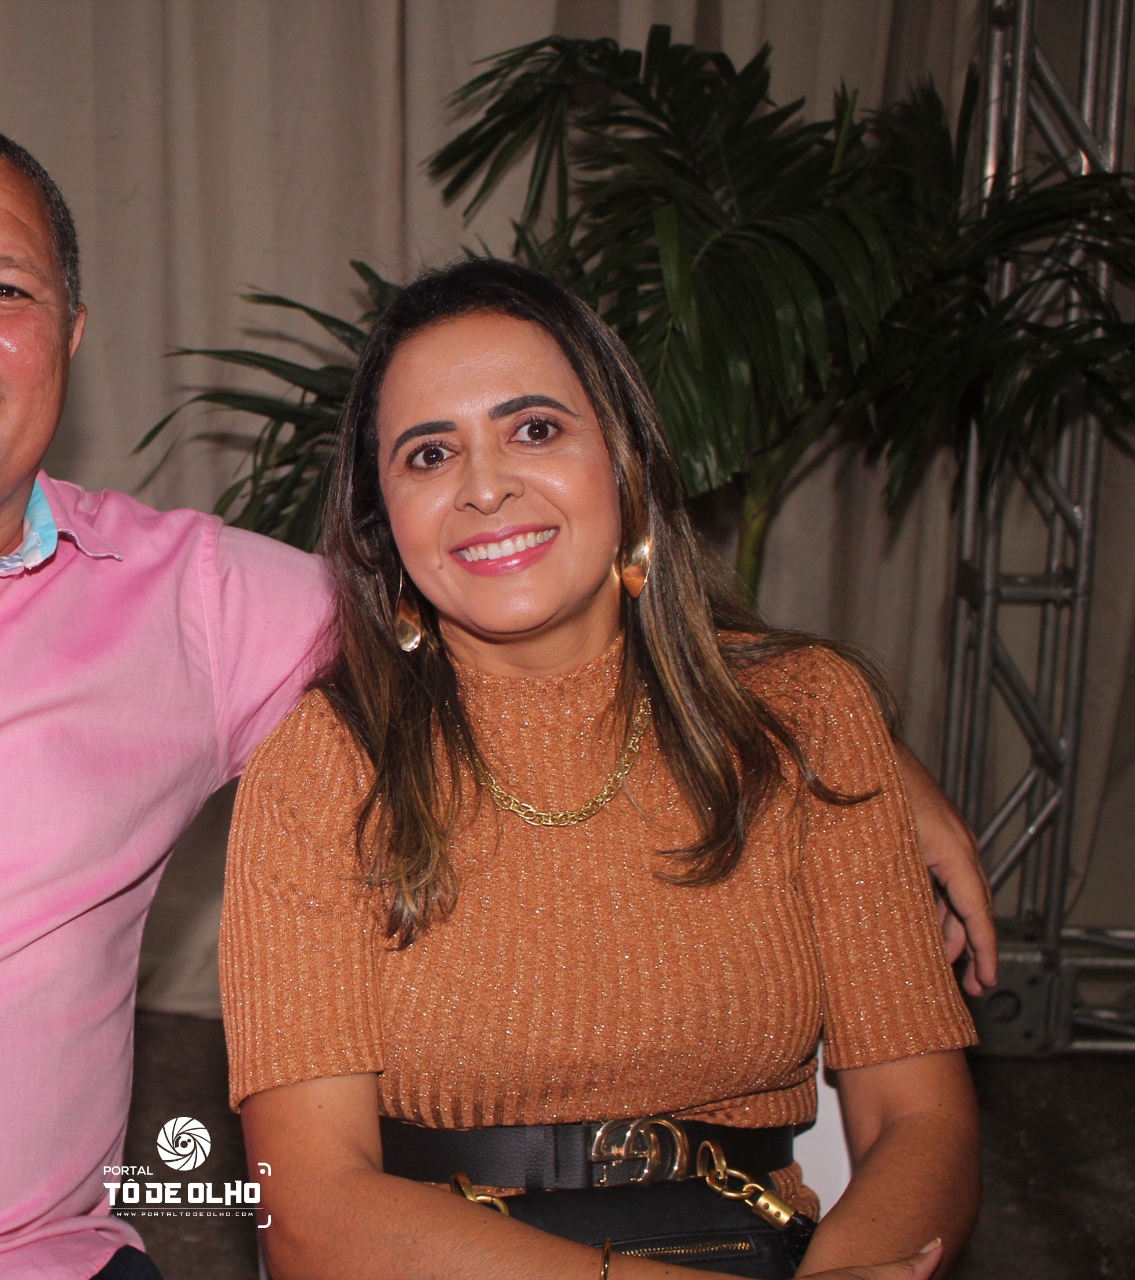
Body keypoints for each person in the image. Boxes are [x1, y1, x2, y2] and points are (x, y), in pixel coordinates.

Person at [0, 122, 991, 1280]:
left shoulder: (198, 602)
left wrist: (842, 743)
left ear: (70, 336)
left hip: (4, 1264)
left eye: (6, 291)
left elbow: (510, 597)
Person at [220, 260, 980, 1280]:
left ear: (625, 466)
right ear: (382, 522)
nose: (484, 486)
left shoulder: (809, 716)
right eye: (430, 453)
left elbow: (922, 1122)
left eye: (535, 429)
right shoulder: (323, 767)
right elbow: (312, 1213)